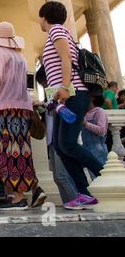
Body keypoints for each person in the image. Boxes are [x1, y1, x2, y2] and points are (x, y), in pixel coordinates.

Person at [39, 1, 103, 210]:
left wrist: (65, 87)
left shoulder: (56, 30)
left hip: (73, 94)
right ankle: (83, 193)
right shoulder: (55, 34)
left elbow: (65, 58)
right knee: (60, 145)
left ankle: (104, 174)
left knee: (67, 144)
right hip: (65, 98)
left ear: (44, 17)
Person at [0, 21, 46, 211]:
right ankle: (35, 188)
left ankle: (18, 198)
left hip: (4, 109)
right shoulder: (20, 57)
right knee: (22, 151)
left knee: (5, 153)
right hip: (23, 109)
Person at [35, 64, 77, 206]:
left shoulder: (65, 91)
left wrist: (44, 104)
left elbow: (62, 110)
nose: (45, 85)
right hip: (52, 139)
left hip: (61, 138)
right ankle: (69, 203)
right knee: (57, 176)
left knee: (61, 175)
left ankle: (75, 201)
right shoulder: (51, 95)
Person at [82, 94, 108, 177]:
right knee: (93, 176)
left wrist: (85, 124)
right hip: (86, 148)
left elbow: (102, 130)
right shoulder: (85, 112)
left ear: (92, 98)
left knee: (100, 176)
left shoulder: (99, 111)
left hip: (97, 148)